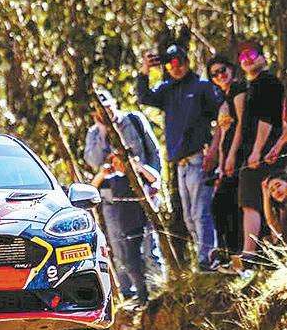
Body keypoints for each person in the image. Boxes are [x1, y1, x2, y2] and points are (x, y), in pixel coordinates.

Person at [137, 44, 223, 270]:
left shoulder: (202, 86)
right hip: (180, 164)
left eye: (179, 62)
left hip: (199, 159)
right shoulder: (167, 90)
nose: (176, 67)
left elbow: (221, 118)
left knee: (201, 213)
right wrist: (145, 69)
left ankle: (208, 258)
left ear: (187, 62)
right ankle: (204, 260)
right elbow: (144, 97)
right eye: (170, 64)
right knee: (188, 217)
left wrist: (214, 150)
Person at [84, 89, 163, 297]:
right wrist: (103, 132)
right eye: (100, 111)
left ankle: (158, 290)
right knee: (120, 246)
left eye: (107, 108)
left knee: (149, 245)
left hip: (142, 190)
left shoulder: (134, 120)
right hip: (111, 196)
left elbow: (154, 152)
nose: (105, 113)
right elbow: (94, 162)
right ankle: (131, 293)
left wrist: (155, 183)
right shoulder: (94, 134)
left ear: (115, 104)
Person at [220, 40, 286, 274]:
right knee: (254, 203)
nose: (246, 60)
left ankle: (251, 256)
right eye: (242, 57)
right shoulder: (252, 86)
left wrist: (258, 150)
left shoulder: (267, 82)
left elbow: (267, 118)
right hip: (256, 153)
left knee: (258, 203)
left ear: (263, 58)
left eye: (251, 54)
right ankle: (255, 256)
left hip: (264, 154)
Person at [91, 153, 161, 304]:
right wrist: (102, 173)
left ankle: (151, 292)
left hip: (141, 223)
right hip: (125, 226)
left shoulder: (137, 176)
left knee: (146, 256)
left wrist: (138, 166)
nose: (117, 165)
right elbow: (93, 187)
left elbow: (154, 179)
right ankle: (142, 295)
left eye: (120, 162)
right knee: (130, 261)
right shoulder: (113, 180)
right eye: (114, 163)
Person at [207, 55, 247, 256]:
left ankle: (235, 253)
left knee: (226, 205)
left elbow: (241, 125)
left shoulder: (239, 90)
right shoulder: (224, 98)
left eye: (222, 70)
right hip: (227, 160)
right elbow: (223, 135)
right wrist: (221, 164)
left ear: (231, 68)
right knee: (221, 206)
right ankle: (228, 254)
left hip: (240, 156)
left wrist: (232, 155)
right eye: (214, 74)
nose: (220, 75)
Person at [261, 170, 287, 241]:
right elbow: (274, 227)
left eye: (278, 185)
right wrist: (266, 197)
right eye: (272, 190)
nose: (277, 191)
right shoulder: (282, 212)